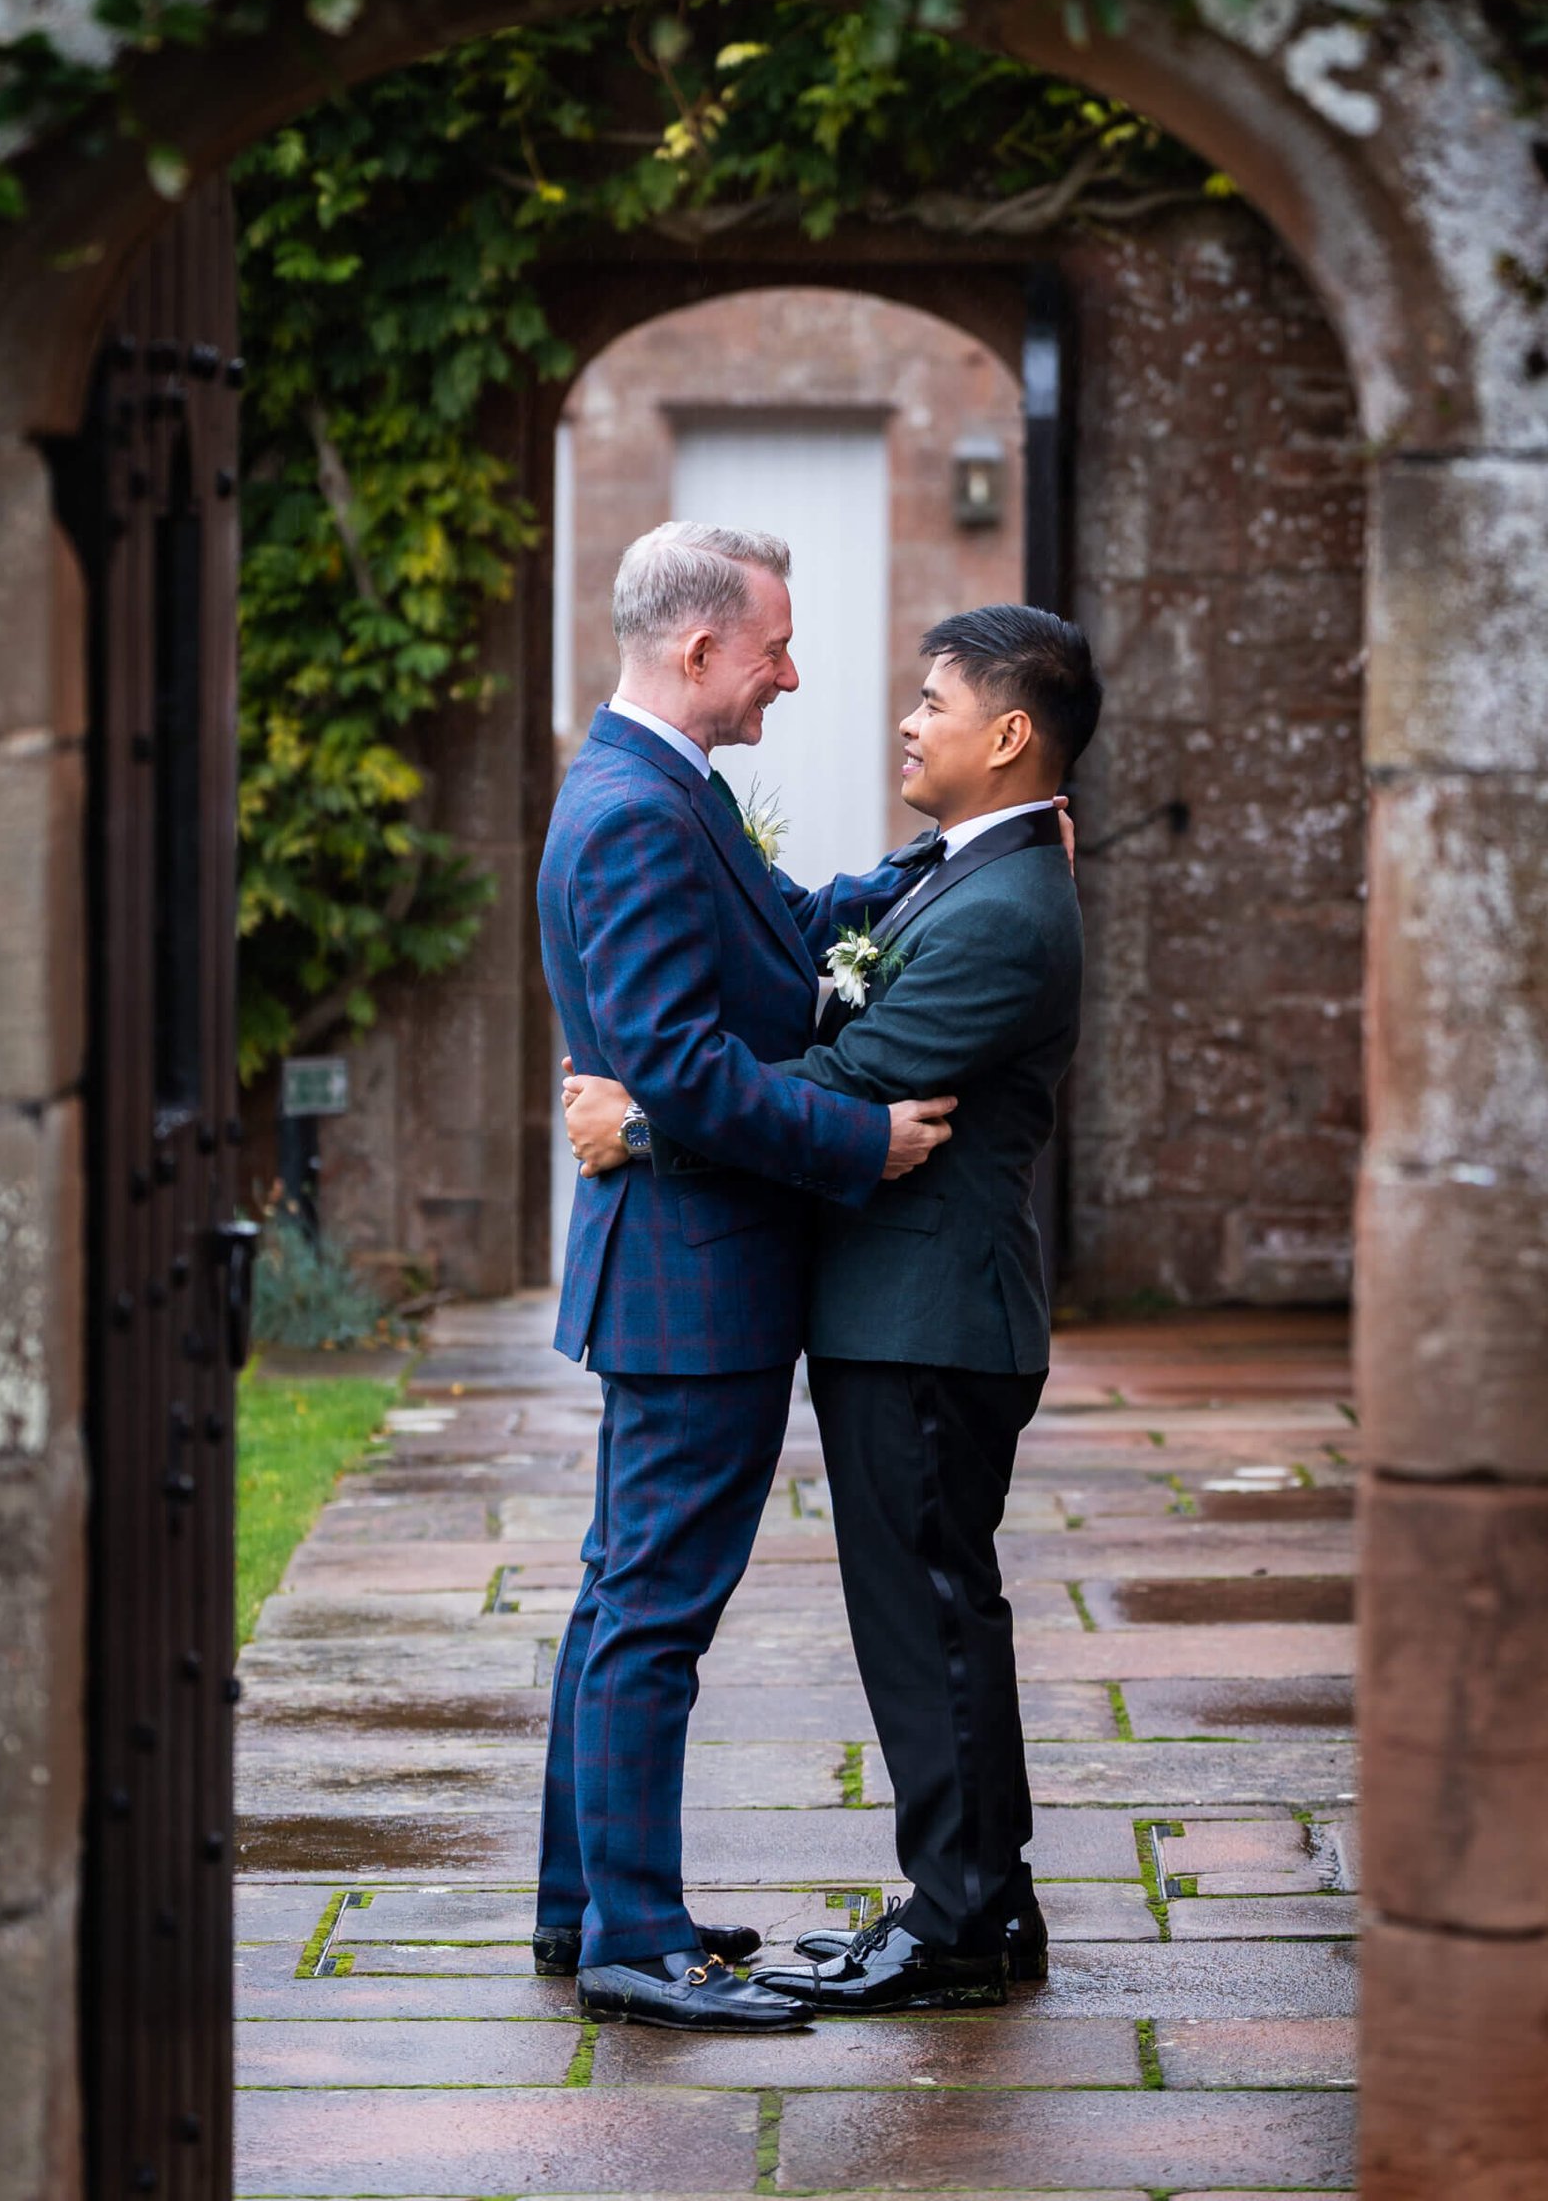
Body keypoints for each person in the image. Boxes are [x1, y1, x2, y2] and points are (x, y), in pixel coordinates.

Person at [564, 601, 1101, 2014]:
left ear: (1009, 733)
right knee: (918, 1615)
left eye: (933, 700)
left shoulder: (1007, 908)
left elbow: (858, 1076)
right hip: (894, 1313)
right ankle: (974, 1902)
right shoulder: (965, 870)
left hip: (930, 1316)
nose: (905, 720)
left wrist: (648, 1126)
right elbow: (836, 957)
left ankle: (960, 1922)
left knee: (927, 1619)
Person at [534, 519, 958, 2035]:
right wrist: (861, 1140)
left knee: (617, 1601)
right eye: (774, 646)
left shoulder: (661, 787)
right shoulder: (640, 809)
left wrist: (936, 865)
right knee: (655, 1610)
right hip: (693, 1279)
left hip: (678, 1270)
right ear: (701, 649)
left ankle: (583, 1903)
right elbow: (687, 1072)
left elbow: (777, 940)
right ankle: (636, 1942)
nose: (794, 672)